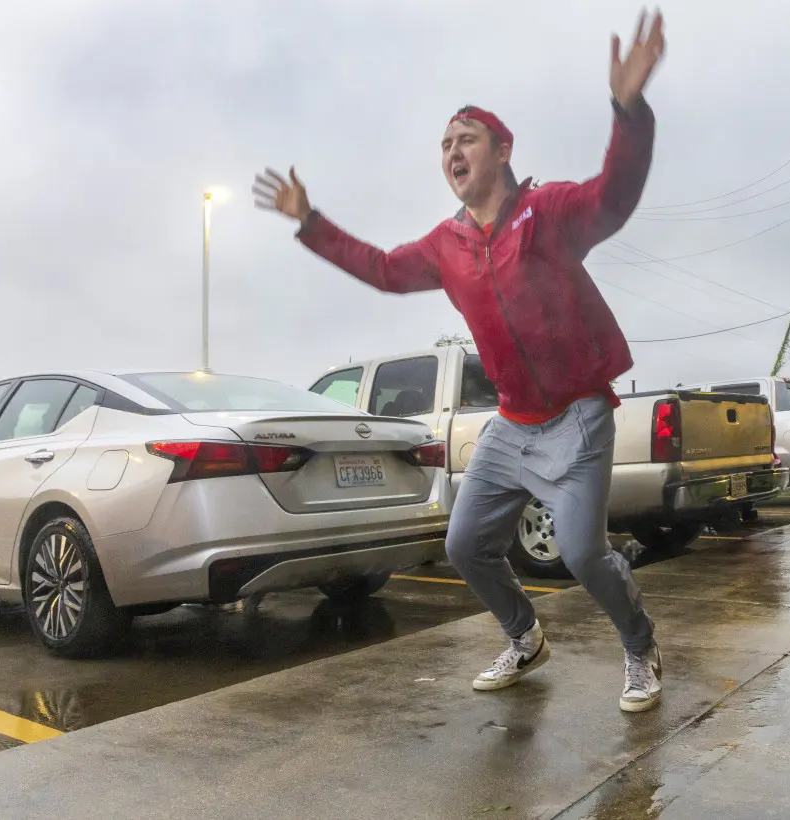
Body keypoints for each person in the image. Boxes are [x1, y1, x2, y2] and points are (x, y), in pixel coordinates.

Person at [253, 10, 667, 712]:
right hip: (510, 423)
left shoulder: (549, 211)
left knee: (582, 554)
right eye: (444, 143)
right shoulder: (445, 246)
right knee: (465, 544)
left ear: (502, 150)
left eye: (465, 138)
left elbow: (614, 196)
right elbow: (383, 269)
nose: (452, 150)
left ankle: (639, 647)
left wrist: (628, 112)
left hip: (578, 417)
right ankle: (524, 637)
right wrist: (311, 222)